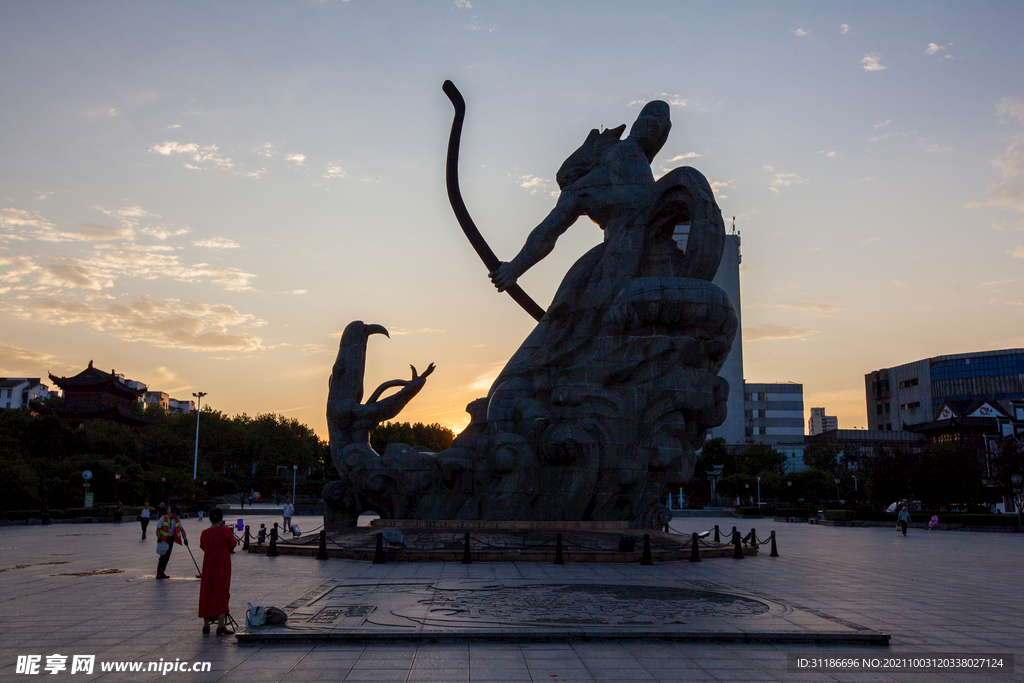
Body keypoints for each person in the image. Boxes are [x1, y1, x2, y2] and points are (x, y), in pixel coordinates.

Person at [198, 508, 237, 635]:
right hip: (222, 565)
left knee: (206, 591)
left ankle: (206, 625)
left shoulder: (204, 533)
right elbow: (233, 543)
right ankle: (221, 625)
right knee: (221, 592)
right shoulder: (225, 531)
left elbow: (203, 546)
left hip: (208, 565)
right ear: (221, 519)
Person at [155, 506, 188, 579]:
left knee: (167, 557)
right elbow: (158, 529)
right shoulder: (163, 519)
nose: (176, 516)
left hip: (171, 539)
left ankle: (162, 572)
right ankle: (159, 573)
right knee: (163, 556)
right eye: (176, 514)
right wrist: (159, 537)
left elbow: (182, 529)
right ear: (172, 513)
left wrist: (185, 538)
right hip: (163, 540)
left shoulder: (176, 520)